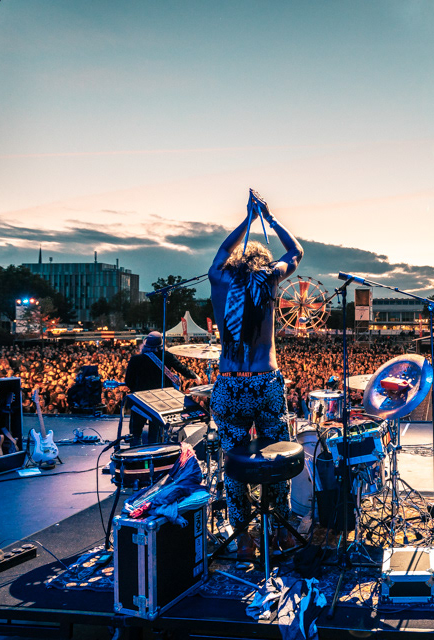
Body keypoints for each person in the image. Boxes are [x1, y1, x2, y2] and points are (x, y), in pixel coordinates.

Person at [208, 191, 303, 558]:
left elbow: (220, 251)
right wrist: (270, 218)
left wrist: (247, 220)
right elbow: (295, 253)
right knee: (276, 456)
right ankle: (282, 530)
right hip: (264, 382)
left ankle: (243, 536)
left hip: (229, 383)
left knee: (234, 460)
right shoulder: (269, 277)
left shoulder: (220, 278)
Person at [124, 331, 198, 446]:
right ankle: (154, 458)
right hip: (160, 403)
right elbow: (182, 369)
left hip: (140, 401)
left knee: (136, 433)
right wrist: (194, 376)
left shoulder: (136, 360)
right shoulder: (167, 357)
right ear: (161, 345)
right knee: (156, 435)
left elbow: (128, 381)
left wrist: (138, 388)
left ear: (145, 344)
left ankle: (135, 457)